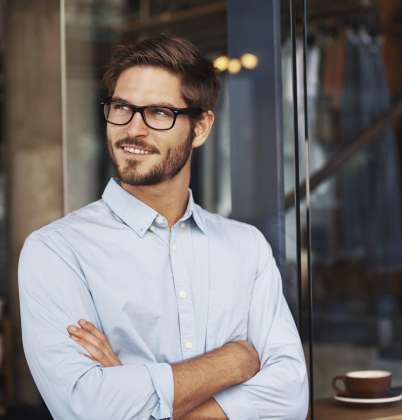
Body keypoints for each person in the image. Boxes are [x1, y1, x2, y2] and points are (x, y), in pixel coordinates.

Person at [18, 35, 308, 420]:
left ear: (201, 128)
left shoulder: (246, 248)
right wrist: (233, 362)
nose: (133, 129)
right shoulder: (56, 252)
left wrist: (136, 393)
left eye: (158, 113)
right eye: (122, 107)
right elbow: (86, 407)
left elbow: (290, 397)